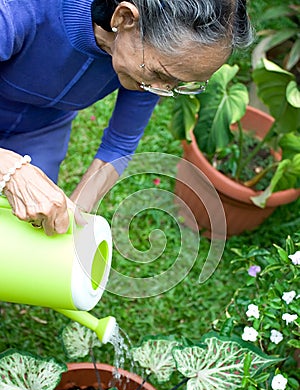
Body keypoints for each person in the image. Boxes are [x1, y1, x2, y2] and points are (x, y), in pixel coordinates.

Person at [0, 0, 253, 235]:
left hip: (41, 129)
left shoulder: (154, 73)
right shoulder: (20, 10)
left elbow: (118, 145)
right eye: (161, 74)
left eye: (181, 83)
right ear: (124, 17)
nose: (164, 90)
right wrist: (11, 170)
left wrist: (74, 220)